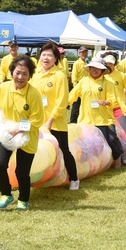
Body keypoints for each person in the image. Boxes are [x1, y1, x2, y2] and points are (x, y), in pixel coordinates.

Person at [0, 56, 44, 210]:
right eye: (17, 72)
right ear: (11, 72)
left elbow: (37, 120)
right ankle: (6, 194)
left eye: (25, 74)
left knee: (21, 171)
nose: (20, 77)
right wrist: (5, 126)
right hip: (6, 133)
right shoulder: (2, 88)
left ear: (30, 75)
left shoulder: (33, 94)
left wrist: (19, 129)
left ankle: (23, 199)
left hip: (27, 136)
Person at [32, 41, 80, 190]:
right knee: (35, 149)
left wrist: (51, 120)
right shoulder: (36, 74)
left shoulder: (59, 75)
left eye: (50, 55)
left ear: (56, 59)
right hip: (37, 121)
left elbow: (62, 101)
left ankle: (74, 179)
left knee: (63, 150)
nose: (46, 58)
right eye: (43, 55)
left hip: (56, 122)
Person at [68, 56, 124, 169]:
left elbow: (113, 99)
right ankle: (91, 164)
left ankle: (118, 156)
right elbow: (72, 95)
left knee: (109, 140)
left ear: (103, 70)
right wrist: (65, 103)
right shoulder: (83, 81)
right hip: (85, 119)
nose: (94, 69)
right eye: (92, 67)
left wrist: (106, 102)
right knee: (86, 143)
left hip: (103, 119)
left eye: (97, 68)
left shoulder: (108, 83)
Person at [70, 46, 89, 124]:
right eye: (82, 52)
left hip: (86, 87)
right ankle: (73, 123)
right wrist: (76, 90)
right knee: (76, 107)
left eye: (85, 52)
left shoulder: (87, 63)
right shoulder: (77, 63)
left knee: (84, 106)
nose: (84, 54)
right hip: (78, 87)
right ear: (79, 53)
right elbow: (74, 78)